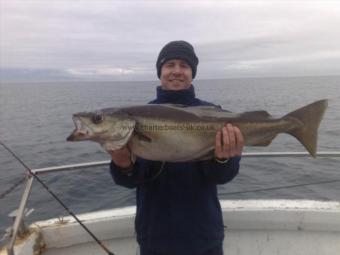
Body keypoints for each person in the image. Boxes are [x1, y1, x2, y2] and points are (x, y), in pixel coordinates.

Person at [108, 41, 244, 255]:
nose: (177, 71)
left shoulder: (216, 116)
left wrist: (223, 159)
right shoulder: (138, 118)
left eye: (184, 65)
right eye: (170, 64)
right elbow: (129, 181)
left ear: (192, 73)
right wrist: (123, 164)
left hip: (204, 235)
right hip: (154, 237)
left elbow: (223, 176)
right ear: (160, 72)